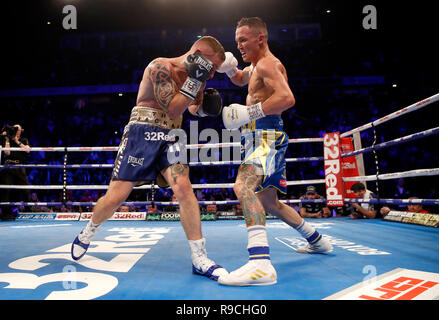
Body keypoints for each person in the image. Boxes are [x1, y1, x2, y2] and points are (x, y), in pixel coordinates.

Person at [71, 36, 228, 281]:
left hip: (172, 135)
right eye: (211, 68)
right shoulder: (160, 67)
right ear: (198, 53)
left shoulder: (198, 79)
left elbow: (191, 109)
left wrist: (206, 107)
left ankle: (200, 258)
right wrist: (195, 80)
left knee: (184, 188)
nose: (211, 76)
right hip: (142, 131)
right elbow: (173, 107)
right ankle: (90, 230)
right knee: (116, 197)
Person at [216, 17, 332, 286]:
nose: (240, 45)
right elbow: (242, 80)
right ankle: (319, 241)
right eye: (237, 41)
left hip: (266, 136)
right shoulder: (256, 65)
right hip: (260, 136)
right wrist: (231, 69)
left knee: (243, 187)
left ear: (261, 38)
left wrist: (249, 112)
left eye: (243, 40)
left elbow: (287, 98)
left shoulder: (268, 63)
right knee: (270, 203)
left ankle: (260, 264)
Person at [0, 124, 31, 220]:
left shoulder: (23, 140)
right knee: (5, 189)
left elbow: (27, 150)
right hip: (8, 166)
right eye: (15, 129)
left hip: (19, 166)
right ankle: (6, 213)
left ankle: (28, 210)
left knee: (25, 188)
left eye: (18, 129)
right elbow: (7, 153)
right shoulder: (7, 139)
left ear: (21, 131)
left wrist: (16, 141)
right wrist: (7, 139)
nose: (17, 130)